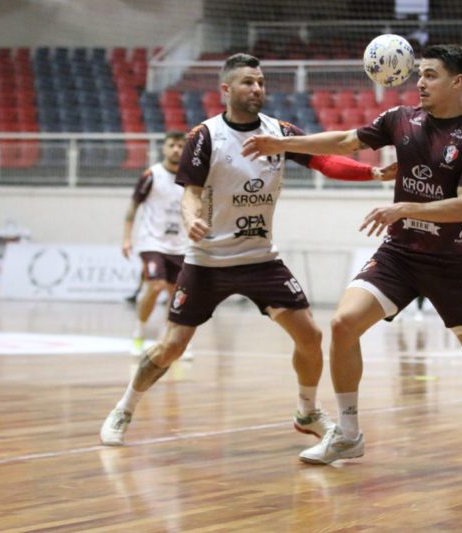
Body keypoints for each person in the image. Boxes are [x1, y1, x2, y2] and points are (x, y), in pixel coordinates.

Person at [242, 44, 462, 465]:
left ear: (457, 82)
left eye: (431, 75)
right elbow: (345, 141)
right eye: (419, 74)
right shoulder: (401, 119)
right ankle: (347, 433)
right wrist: (284, 143)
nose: (420, 81)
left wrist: (404, 207)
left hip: (450, 264)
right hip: (400, 254)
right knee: (343, 324)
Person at [100, 53, 395, 446]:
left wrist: (372, 172)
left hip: (260, 259)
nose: (257, 89)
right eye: (247, 82)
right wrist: (191, 220)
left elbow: (325, 161)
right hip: (208, 261)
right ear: (226, 89)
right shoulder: (204, 136)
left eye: (260, 82)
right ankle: (125, 407)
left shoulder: (279, 131)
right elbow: (188, 194)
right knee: (172, 346)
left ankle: (307, 412)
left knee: (309, 335)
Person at [122, 131, 188, 356]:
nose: (176, 149)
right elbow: (133, 206)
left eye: (181, 146)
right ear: (164, 148)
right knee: (155, 285)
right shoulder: (151, 175)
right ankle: (139, 333)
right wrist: (127, 238)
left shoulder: (190, 178)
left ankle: (170, 340)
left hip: (179, 245)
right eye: (172, 145)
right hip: (152, 242)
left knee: (177, 295)